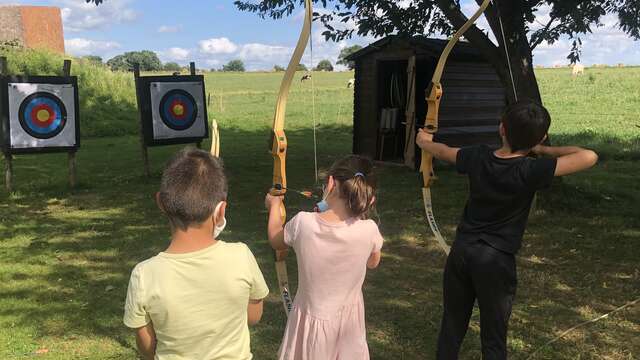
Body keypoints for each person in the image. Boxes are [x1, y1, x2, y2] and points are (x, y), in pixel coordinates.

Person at [416, 100, 598, 360]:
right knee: (494, 331)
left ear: (502, 129)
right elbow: (589, 156)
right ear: (541, 136)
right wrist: (543, 148)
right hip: (495, 260)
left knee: (453, 322)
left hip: (462, 252)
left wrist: (424, 142)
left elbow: (443, 151)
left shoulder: (478, 156)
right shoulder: (531, 169)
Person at [123, 148, 269, 360]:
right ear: (221, 211)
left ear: (161, 203)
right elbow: (253, 316)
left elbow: (146, 347)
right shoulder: (241, 256)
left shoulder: (144, 274)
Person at [265, 155, 383, 360]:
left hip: (310, 322)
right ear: (368, 196)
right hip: (349, 327)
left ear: (330, 183)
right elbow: (373, 262)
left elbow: (277, 239)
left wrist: (274, 206)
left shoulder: (303, 223)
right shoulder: (369, 230)